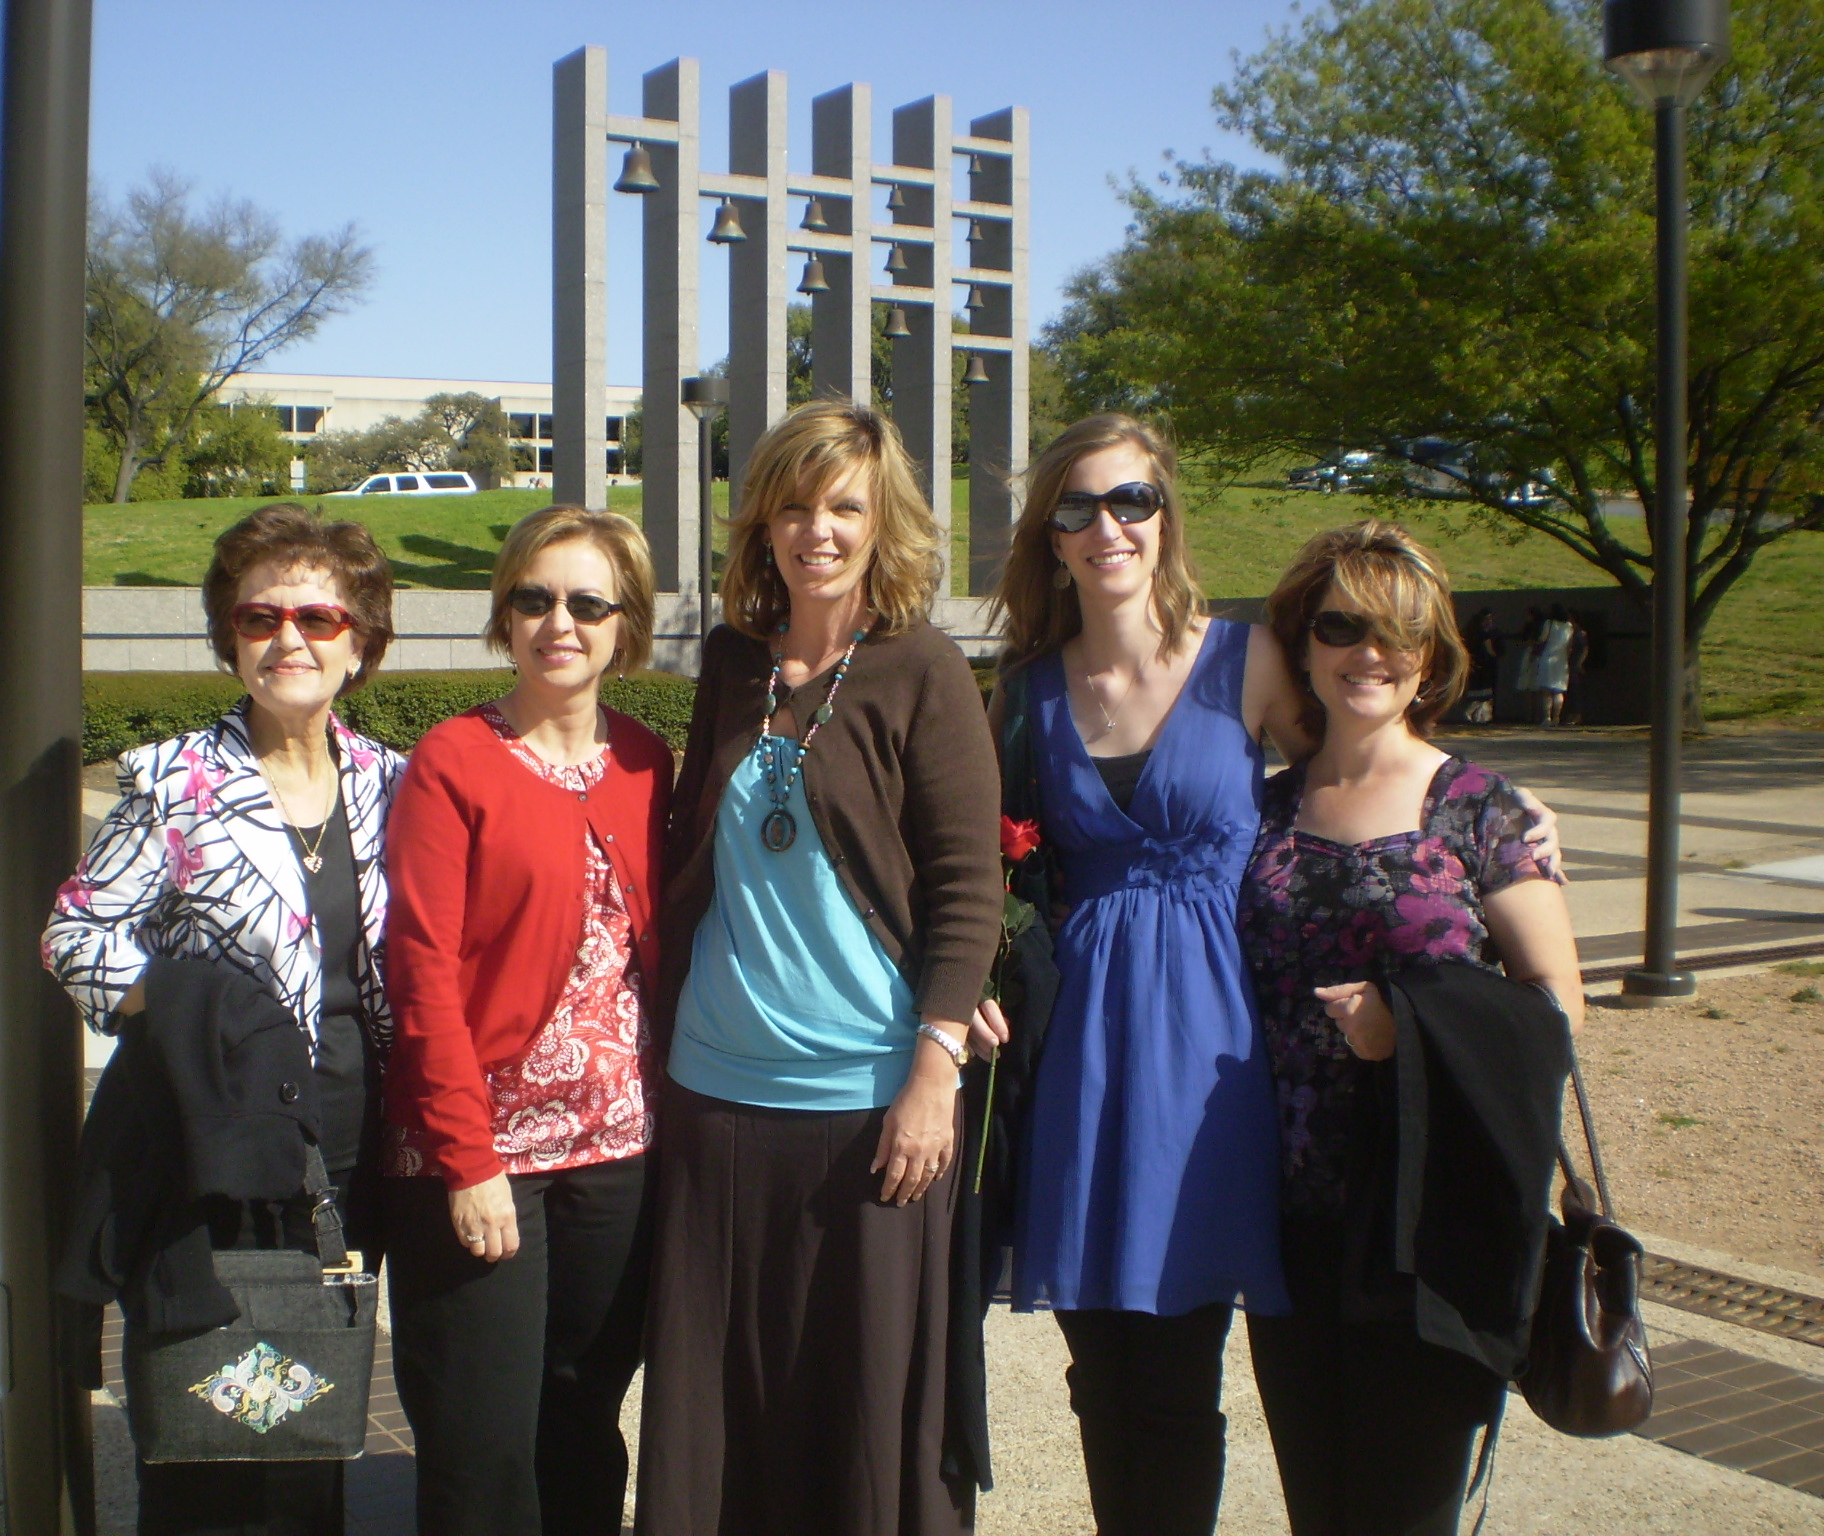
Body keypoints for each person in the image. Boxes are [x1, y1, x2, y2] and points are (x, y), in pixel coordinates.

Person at [981, 416, 1562, 1536]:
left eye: (1131, 499)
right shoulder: (1028, 694)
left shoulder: (1242, 660)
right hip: (1082, 1054)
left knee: (1178, 1366)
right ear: (1050, 535)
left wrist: (1498, 806)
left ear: (1166, 516)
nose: (1108, 526)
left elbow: (1358, 760)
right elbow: (976, 857)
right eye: (1078, 507)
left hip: (1212, 1049)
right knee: (1101, 1370)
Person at [635, 400, 1002, 1536]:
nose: (818, 531)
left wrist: (934, 1069)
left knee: (859, 1407)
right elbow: (696, 848)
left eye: (844, 506)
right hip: (714, 1090)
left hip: (867, 1099)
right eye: (794, 506)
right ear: (763, 522)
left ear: (882, 522)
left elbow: (967, 885)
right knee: (721, 1404)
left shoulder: (922, 668)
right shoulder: (733, 661)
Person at [44, 502, 405, 1536]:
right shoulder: (174, 780)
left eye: (318, 617)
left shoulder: (391, 782)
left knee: (307, 1395)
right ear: (230, 638)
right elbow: (76, 933)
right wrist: (183, 1006)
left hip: (344, 1151)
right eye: (259, 616)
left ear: (359, 643)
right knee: (217, 1404)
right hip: (215, 1144)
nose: (289, 637)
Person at [1237, 520, 1584, 1536]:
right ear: (1303, 646)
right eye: (1340, 626)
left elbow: (1553, 1008)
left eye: (1398, 631)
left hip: (1434, 1219)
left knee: (1405, 1511)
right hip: (1294, 1213)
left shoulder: (1481, 811)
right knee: (1319, 1505)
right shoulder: (1260, 812)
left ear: (1429, 657)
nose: (1369, 652)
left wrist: (1409, 1030)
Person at [380, 505, 672, 1536]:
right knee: (481, 1440)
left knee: (583, 1415)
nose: (560, 623)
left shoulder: (647, 762)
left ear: (624, 625)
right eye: (535, 599)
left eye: (589, 603)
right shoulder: (453, 761)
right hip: (482, 1155)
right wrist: (467, 1161)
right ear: (504, 615)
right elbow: (419, 975)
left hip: (617, 1154)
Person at [1530, 603, 1576, 725]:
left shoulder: (1549, 624)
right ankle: (1556, 717)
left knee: (1546, 691)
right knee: (1558, 690)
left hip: (1548, 658)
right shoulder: (1569, 626)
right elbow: (1569, 645)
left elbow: (1542, 639)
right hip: (1561, 661)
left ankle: (1547, 718)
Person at [1458, 608, 1499, 723]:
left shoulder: (1469, 633)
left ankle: (1475, 716)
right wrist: (1495, 656)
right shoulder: (1485, 635)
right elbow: (1490, 650)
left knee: (1476, 692)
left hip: (1473, 664)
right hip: (1485, 665)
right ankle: (1478, 715)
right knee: (1485, 694)